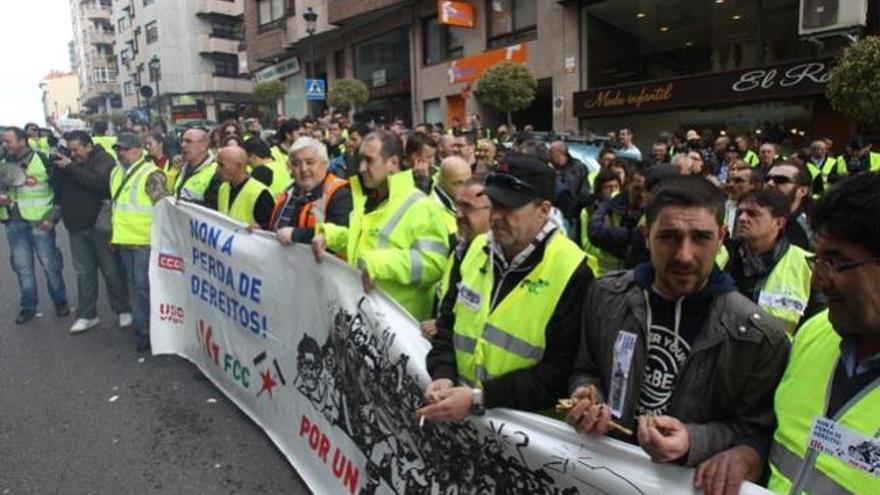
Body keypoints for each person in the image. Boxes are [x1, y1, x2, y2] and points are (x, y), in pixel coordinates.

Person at [567, 176, 790, 494]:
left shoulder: (758, 335)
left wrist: (693, 441)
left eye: (701, 238)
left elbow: (758, 433)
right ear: (646, 236)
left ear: (722, 238)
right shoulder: (604, 295)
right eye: (669, 237)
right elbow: (587, 370)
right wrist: (588, 396)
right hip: (603, 477)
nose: (684, 255)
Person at [418, 154, 594, 420]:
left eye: (509, 207)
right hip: (460, 417)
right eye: (494, 204)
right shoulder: (473, 249)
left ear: (544, 210)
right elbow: (447, 328)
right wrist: (443, 374)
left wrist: (481, 397)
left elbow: (560, 372)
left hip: (524, 437)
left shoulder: (572, 271)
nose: (496, 216)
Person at [767, 173, 880, 495]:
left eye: (834, 262)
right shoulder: (815, 332)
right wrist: (744, 454)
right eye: (819, 260)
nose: (817, 281)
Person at [311, 131, 450, 321]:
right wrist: (330, 236)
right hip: (369, 319)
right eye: (360, 160)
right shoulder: (370, 199)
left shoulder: (421, 205)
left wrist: (379, 265)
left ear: (393, 162)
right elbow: (364, 241)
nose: (361, 168)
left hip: (399, 327)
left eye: (369, 160)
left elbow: (434, 264)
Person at [53, 131, 132, 332]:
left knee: (111, 271)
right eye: (69, 150)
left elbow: (99, 183)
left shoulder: (103, 159)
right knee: (84, 273)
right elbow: (57, 189)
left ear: (88, 146)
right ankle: (87, 314)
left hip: (98, 226)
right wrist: (59, 168)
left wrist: (71, 167)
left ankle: (123, 309)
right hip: (76, 226)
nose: (73, 154)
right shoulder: (68, 163)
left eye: (76, 149)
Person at [725, 190, 823, 333]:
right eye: (740, 212)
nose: (742, 218)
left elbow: (818, 321)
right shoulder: (721, 255)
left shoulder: (807, 264)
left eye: (752, 214)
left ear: (778, 223)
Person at [0, 127, 69, 324]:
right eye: (3, 142)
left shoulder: (45, 160)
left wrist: (52, 217)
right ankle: (28, 306)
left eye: (9, 141)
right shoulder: (3, 163)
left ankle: (60, 301)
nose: (5, 145)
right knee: (22, 267)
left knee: (50, 264)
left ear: (23, 140)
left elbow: (59, 190)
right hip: (14, 222)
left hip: (41, 221)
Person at [109, 133, 167, 352]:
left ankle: (147, 330)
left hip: (144, 241)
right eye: (118, 149)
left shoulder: (151, 174)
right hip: (125, 240)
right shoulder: (116, 172)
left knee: (144, 288)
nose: (121, 153)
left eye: (125, 149)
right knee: (136, 285)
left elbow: (163, 208)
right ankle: (144, 326)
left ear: (138, 149)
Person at [419, 176, 492, 341]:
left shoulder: (499, 261)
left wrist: (444, 329)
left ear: (492, 211)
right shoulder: (456, 248)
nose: (458, 214)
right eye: (457, 205)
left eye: (468, 207)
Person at [272, 137, 352, 244]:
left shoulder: (340, 194)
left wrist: (297, 235)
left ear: (325, 164)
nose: (303, 169)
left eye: (309, 162)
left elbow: (343, 235)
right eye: (296, 164)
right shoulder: (288, 191)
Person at [588, 162, 648, 275]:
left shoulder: (650, 212)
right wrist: (630, 235)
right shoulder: (612, 202)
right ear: (628, 184)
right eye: (637, 189)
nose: (642, 195)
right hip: (604, 274)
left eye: (646, 190)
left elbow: (638, 252)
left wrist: (611, 235)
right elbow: (594, 232)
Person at [215, 146, 274, 230]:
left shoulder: (260, 193)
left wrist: (262, 227)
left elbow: (271, 226)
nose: (217, 169)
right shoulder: (223, 188)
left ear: (239, 166)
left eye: (221, 165)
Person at [764, 162, 813, 251]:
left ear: (802, 191)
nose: (770, 183)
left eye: (780, 180)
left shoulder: (808, 230)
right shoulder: (750, 218)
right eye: (767, 179)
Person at [549, 140, 591, 236]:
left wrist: (571, 206)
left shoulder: (578, 168)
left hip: (572, 218)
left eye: (551, 152)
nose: (549, 155)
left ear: (559, 152)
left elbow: (584, 194)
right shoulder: (552, 169)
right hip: (555, 217)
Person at [173, 127, 221, 209]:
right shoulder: (182, 169)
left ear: (203, 146)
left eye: (188, 141)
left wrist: (183, 203)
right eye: (182, 141)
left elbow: (214, 207)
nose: (183, 145)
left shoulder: (216, 172)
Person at [431, 156, 471, 240]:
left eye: (468, 182)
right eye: (458, 184)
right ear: (441, 182)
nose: (465, 188)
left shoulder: (474, 202)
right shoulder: (430, 208)